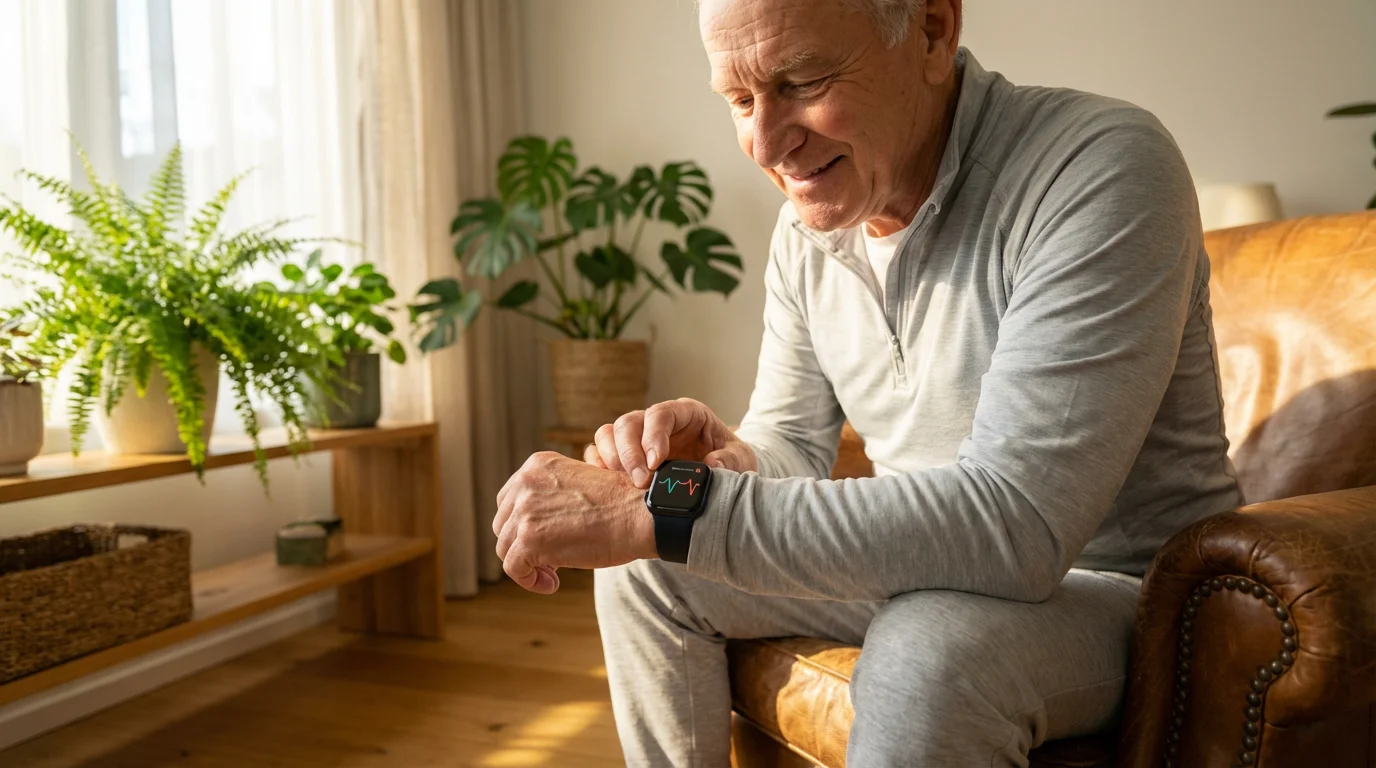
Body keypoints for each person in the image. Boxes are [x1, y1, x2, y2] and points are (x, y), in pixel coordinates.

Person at [492, 0, 1242, 764]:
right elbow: (789, 442)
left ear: (933, 29)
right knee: (646, 574)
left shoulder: (1099, 166)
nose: (765, 142)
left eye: (805, 81)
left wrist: (674, 512)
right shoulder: (807, 229)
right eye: (740, 100)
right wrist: (724, 466)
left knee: (931, 650)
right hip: (923, 567)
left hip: (1127, 591)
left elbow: (1018, 526)